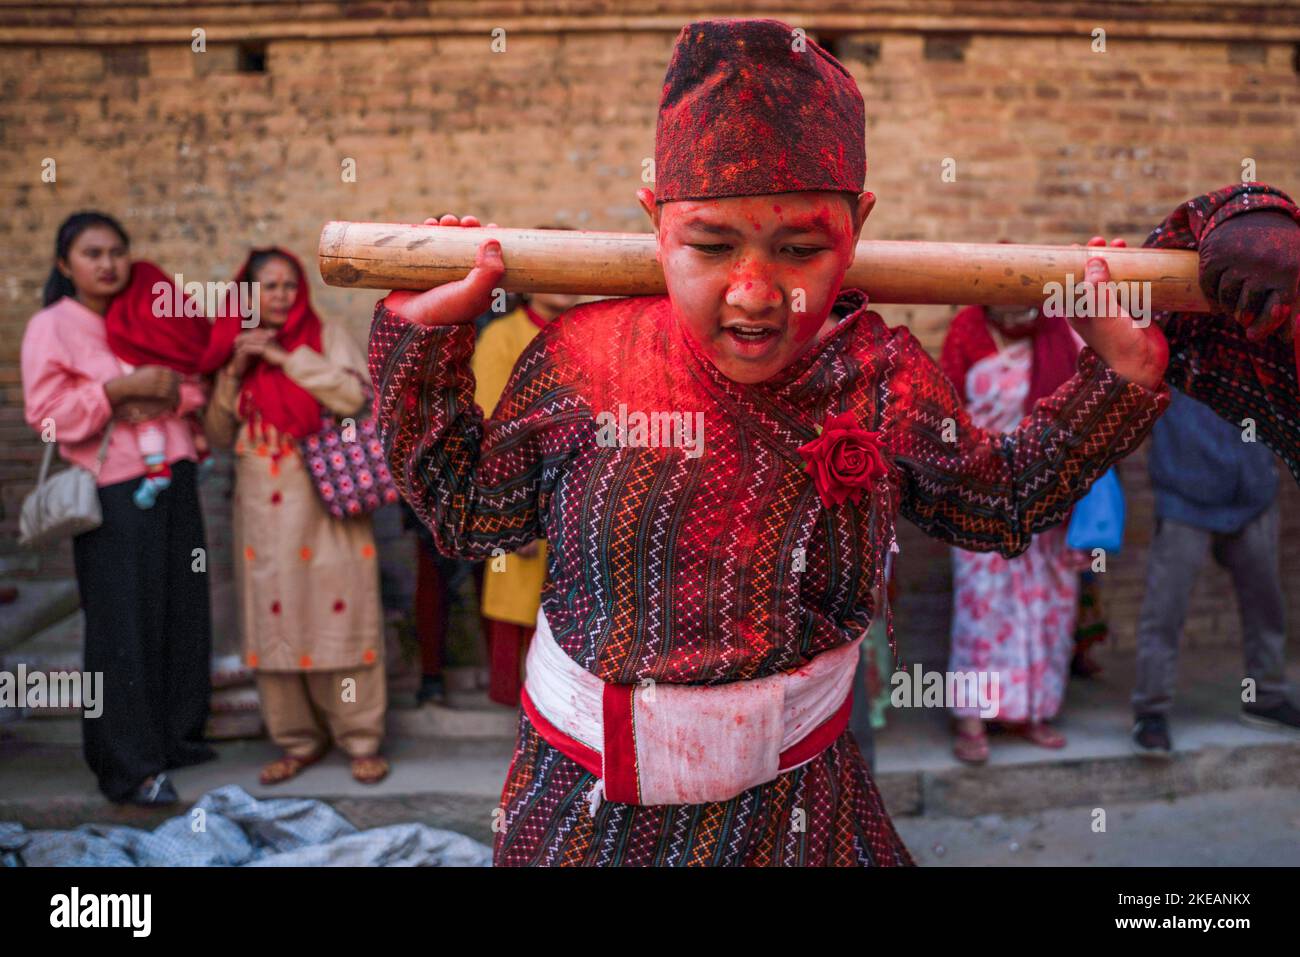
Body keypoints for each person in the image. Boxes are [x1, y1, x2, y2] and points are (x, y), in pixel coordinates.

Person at [368, 19, 1299, 866]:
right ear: (656, 221)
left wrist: (1123, 376)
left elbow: (1001, 503)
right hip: (583, 819)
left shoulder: (881, 375)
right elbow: (465, 516)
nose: (754, 293)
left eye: (801, 249)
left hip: (803, 819)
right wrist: (422, 343)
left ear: (861, 225)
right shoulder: (581, 359)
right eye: (712, 243)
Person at [21, 211, 216, 806]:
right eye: (92, 253)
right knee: (121, 624)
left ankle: (174, 736)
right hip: (112, 488)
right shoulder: (53, 326)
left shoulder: (149, 309)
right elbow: (46, 413)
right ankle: (128, 768)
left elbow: (194, 381)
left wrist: (164, 391)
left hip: (174, 473)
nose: (107, 265)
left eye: (116, 252)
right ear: (65, 265)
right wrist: (112, 392)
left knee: (182, 611)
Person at [202, 247, 389, 785]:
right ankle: (296, 740)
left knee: (341, 608)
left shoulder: (323, 334)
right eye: (268, 286)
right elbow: (218, 434)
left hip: (325, 499)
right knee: (274, 616)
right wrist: (236, 371)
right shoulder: (234, 348)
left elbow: (353, 395)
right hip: (262, 510)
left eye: (289, 286)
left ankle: (360, 738)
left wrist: (286, 359)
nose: (280, 296)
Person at [939, 298, 1089, 762]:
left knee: (1048, 603)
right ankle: (971, 716)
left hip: (1048, 495)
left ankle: (1033, 710)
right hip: (980, 495)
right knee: (981, 605)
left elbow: (1086, 413)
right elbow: (946, 410)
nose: (1015, 317)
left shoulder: (1060, 334)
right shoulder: (967, 330)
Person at [1131, 389, 1298, 756]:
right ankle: (1151, 712)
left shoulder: (1258, 339)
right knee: (1165, 608)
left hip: (1253, 490)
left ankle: (1265, 698)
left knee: (1265, 604)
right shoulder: (1171, 338)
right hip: (1183, 493)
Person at [471, 274, 581, 706]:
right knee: (520, 608)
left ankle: (567, 715)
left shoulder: (594, 329)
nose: (566, 281)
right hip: (525, 484)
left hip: (580, 483)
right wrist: (515, 511)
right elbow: (494, 429)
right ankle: (528, 721)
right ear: (528, 282)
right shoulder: (503, 335)